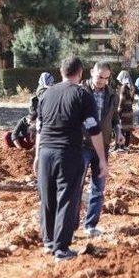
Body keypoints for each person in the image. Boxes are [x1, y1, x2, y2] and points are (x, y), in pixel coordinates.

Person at [33, 57, 108, 262]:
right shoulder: (82, 94)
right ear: (81, 72)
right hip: (68, 153)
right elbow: (93, 128)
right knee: (67, 198)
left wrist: (38, 155)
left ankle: (49, 242)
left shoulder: (46, 94)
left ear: (61, 71)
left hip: (46, 151)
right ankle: (61, 249)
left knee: (47, 197)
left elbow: (39, 126)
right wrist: (102, 159)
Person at [79, 62, 124, 238]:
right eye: (99, 77)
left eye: (106, 78)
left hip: (102, 147)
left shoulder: (112, 94)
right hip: (82, 145)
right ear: (92, 72)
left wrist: (119, 133)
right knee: (76, 186)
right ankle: (71, 225)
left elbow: (115, 118)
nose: (102, 81)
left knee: (99, 188)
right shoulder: (80, 91)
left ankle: (90, 225)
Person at [5, 72, 55, 150]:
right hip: (30, 138)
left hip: (43, 132)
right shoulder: (25, 119)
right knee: (8, 136)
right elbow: (14, 135)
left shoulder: (50, 93)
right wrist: (21, 149)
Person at [115, 70, 134, 152]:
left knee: (121, 129)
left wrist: (118, 111)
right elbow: (132, 100)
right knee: (128, 130)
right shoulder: (131, 87)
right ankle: (126, 145)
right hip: (129, 112)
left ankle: (120, 146)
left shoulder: (123, 87)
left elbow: (122, 100)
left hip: (124, 112)